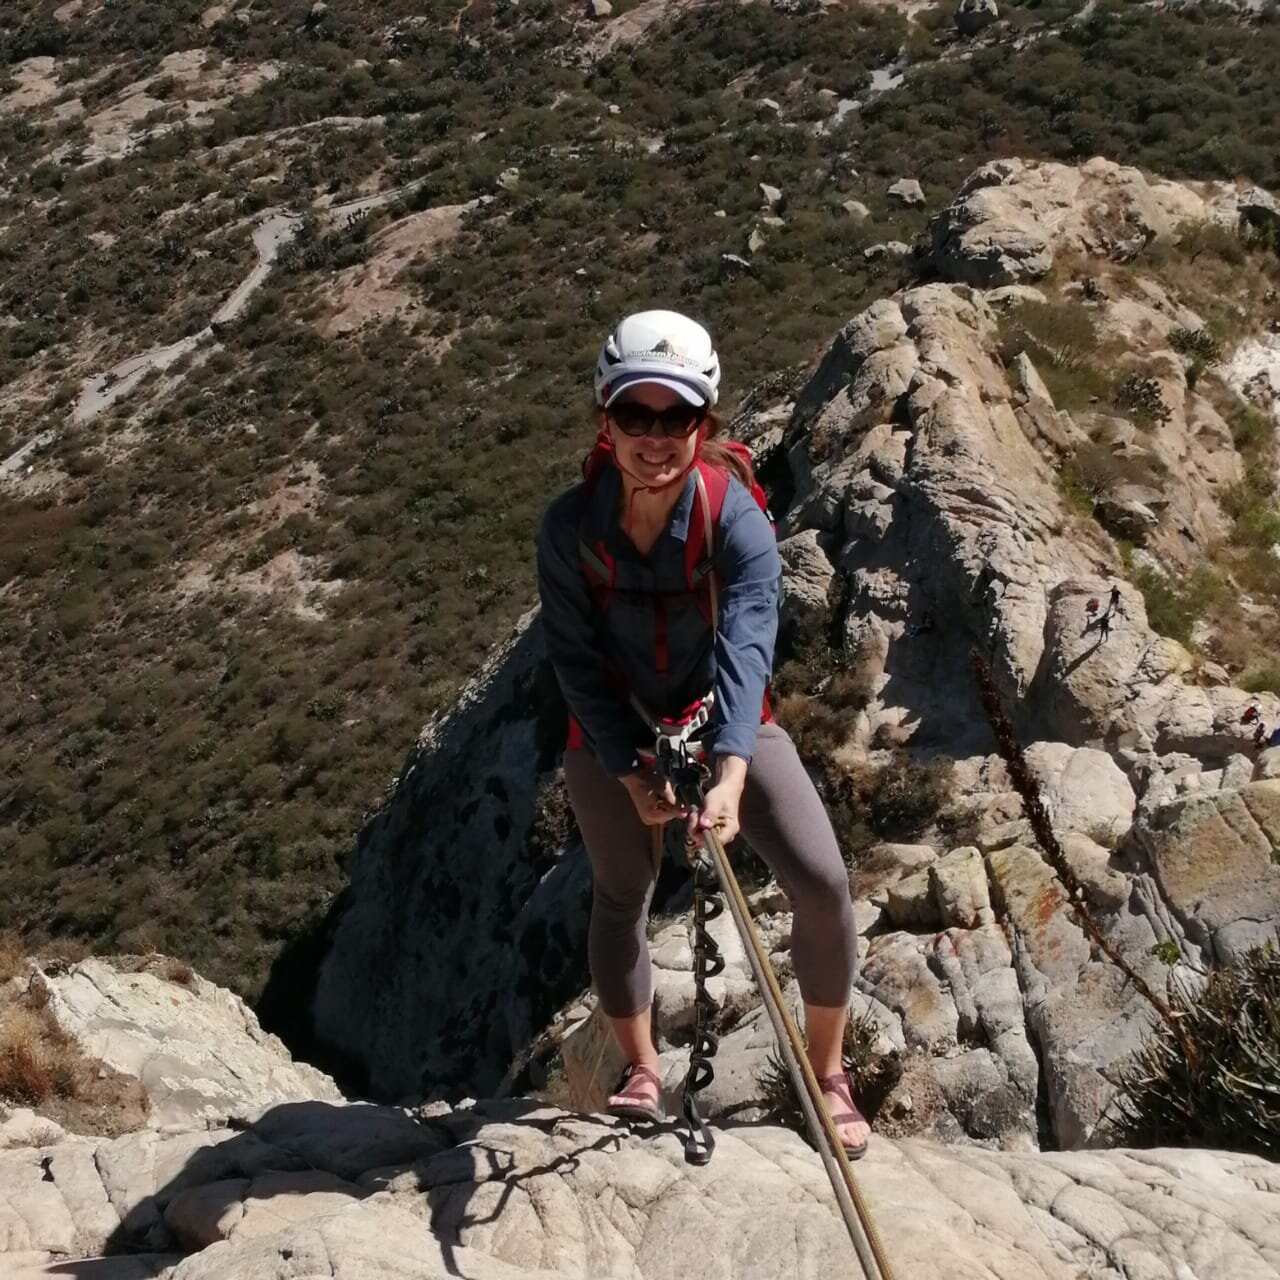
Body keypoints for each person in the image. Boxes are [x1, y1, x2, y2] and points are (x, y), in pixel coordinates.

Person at [536, 309, 869, 1158]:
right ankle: (643, 1071)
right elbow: (573, 660)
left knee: (824, 883)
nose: (655, 437)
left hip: (721, 713)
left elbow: (749, 641)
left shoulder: (736, 521)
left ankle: (828, 1074)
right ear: (604, 419)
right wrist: (626, 766)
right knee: (623, 891)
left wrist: (726, 769)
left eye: (675, 417)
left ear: (703, 423)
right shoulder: (569, 532)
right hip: (610, 722)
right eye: (634, 416)